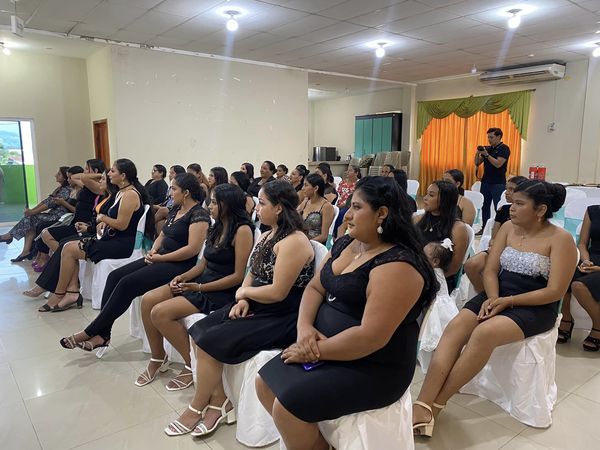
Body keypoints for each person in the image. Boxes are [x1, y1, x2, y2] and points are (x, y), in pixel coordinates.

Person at [255, 176, 438, 450]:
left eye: (356, 207)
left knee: (288, 406)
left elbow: (370, 338)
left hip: (374, 364)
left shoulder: (398, 265)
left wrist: (313, 351)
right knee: (264, 384)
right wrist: (304, 329)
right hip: (327, 346)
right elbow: (315, 287)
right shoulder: (347, 244)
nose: (347, 215)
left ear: (381, 213)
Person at [412, 181, 576, 437]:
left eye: (519, 203)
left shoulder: (560, 239)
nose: (512, 208)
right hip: (497, 292)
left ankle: (436, 405)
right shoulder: (509, 228)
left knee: (483, 333)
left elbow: (555, 291)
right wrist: (494, 297)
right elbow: (489, 270)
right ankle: (422, 402)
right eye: (513, 202)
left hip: (535, 304)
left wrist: (508, 302)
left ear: (541, 210)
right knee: (455, 328)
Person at [163, 180, 314, 437]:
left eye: (262, 203)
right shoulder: (267, 234)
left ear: (279, 208)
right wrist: (242, 298)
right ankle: (219, 400)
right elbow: (251, 274)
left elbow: (278, 292)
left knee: (209, 339)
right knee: (198, 331)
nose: (256, 208)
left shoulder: (294, 241)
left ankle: (198, 406)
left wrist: (244, 293)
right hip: (256, 303)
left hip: (281, 314)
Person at [59, 173, 209, 351]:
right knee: (114, 276)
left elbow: (192, 249)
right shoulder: (177, 209)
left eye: (174, 189)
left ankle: (90, 331)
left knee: (127, 283)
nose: (170, 193)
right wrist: (154, 251)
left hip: (179, 265)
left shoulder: (199, 215)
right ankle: (103, 334)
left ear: (186, 192)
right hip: (160, 258)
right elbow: (162, 235)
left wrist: (161, 258)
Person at [136, 184, 254, 390]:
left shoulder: (242, 230)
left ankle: (191, 364)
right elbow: (202, 265)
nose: (210, 206)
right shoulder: (217, 226)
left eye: (214, 202)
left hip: (221, 291)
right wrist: (182, 277)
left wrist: (198, 288)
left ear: (228, 204)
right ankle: (158, 356)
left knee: (160, 313)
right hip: (203, 281)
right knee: (148, 300)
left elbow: (237, 277)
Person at [38, 159, 153, 312]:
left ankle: (61, 294)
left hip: (123, 245)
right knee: (67, 247)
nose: (109, 174)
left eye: (112, 171)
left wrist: (103, 218)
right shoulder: (122, 192)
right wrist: (104, 222)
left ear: (123, 176)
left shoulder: (130, 194)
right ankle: (70, 292)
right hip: (114, 239)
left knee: (69, 249)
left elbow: (121, 224)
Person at [23, 170, 118, 299]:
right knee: (59, 243)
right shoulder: (105, 195)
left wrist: (91, 226)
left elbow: (112, 223)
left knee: (64, 245)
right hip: (86, 227)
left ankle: (56, 288)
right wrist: (90, 226)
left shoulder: (109, 195)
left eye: (103, 178)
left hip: (95, 234)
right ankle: (69, 286)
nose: (100, 180)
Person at [33, 160, 106, 271]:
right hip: (76, 221)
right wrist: (99, 174)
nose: (84, 171)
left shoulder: (97, 187)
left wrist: (101, 174)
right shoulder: (88, 185)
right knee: (45, 233)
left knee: (47, 234)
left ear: (95, 170)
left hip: (84, 224)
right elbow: (74, 177)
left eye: (87, 168)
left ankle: (62, 262)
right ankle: (64, 262)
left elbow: (79, 177)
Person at [464, 175, 528, 293]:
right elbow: (494, 237)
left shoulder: (527, 214)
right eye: (506, 189)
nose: (506, 193)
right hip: (498, 248)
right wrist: (494, 245)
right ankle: (483, 293)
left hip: (515, 250)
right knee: (470, 265)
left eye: (511, 189)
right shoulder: (503, 210)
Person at [0, 166, 72, 262]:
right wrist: (31, 211)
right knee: (30, 220)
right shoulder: (60, 188)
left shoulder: (66, 190)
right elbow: (46, 201)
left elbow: (50, 203)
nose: (55, 175)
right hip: (53, 215)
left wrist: (32, 212)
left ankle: (10, 236)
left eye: (59, 174)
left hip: (59, 217)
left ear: (65, 177)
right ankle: (25, 251)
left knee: (30, 219)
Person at [558, 204, 600, 350]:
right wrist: (586, 261)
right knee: (560, 276)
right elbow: (582, 244)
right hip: (591, 259)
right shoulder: (593, 211)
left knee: (578, 286)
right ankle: (567, 319)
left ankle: (598, 326)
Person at [414, 181, 468, 293]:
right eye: (426, 193)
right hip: (414, 272)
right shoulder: (418, 219)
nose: (425, 198)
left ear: (445, 200)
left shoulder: (457, 228)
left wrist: (424, 279)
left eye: (431, 195)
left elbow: (454, 268)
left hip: (439, 280)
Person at [475, 127, 510, 232]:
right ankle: (484, 228)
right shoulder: (488, 149)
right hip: (485, 181)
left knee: (497, 206)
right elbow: (477, 163)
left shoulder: (504, 148)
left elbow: (498, 164)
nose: (489, 140)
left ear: (499, 136)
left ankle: (500, 229)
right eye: (488, 137)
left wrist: (487, 155)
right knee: (484, 206)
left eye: (491, 137)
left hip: (498, 183)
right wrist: (478, 153)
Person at [297, 173, 335, 245]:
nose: (302, 188)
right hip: (302, 240)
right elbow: (294, 217)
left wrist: (306, 243)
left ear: (316, 188)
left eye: (306, 185)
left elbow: (324, 236)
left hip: (315, 244)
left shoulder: (326, 207)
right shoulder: (306, 202)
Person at [155, 165, 186, 234]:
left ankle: (147, 226)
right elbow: (167, 200)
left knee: (163, 210)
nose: (169, 175)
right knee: (160, 222)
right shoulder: (170, 187)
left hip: (175, 208)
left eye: (172, 173)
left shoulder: (182, 187)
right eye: (169, 173)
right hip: (168, 207)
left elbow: (176, 203)